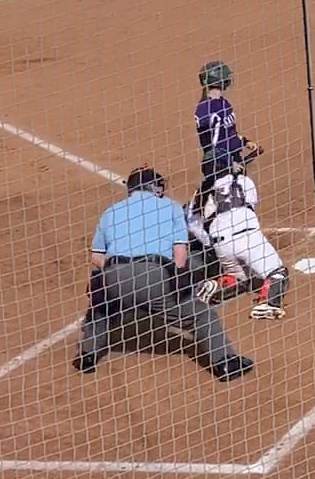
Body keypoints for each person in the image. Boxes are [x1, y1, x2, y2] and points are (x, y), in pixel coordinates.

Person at [75, 167, 253, 381]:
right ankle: (225, 363)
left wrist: (116, 275)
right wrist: (181, 285)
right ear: (156, 188)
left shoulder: (110, 211)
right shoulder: (171, 207)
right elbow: (180, 254)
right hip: (155, 276)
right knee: (201, 314)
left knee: (101, 309)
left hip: (114, 275)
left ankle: (87, 355)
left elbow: (96, 256)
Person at [196, 160, 290, 320]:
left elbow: (195, 223)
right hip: (248, 237)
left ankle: (214, 286)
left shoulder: (202, 191)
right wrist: (239, 173)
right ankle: (268, 303)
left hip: (221, 244)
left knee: (241, 279)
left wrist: (210, 245)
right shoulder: (244, 181)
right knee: (278, 273)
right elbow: (250, 202)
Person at [194, 61, 265, 199]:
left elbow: (229, 132)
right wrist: (228, 164)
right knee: (224, 203)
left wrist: (245, 142)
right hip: (218, 166)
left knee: (242, 197)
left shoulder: (224, 103)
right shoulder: (205, 110)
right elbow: (209, 146)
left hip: (233, 160)